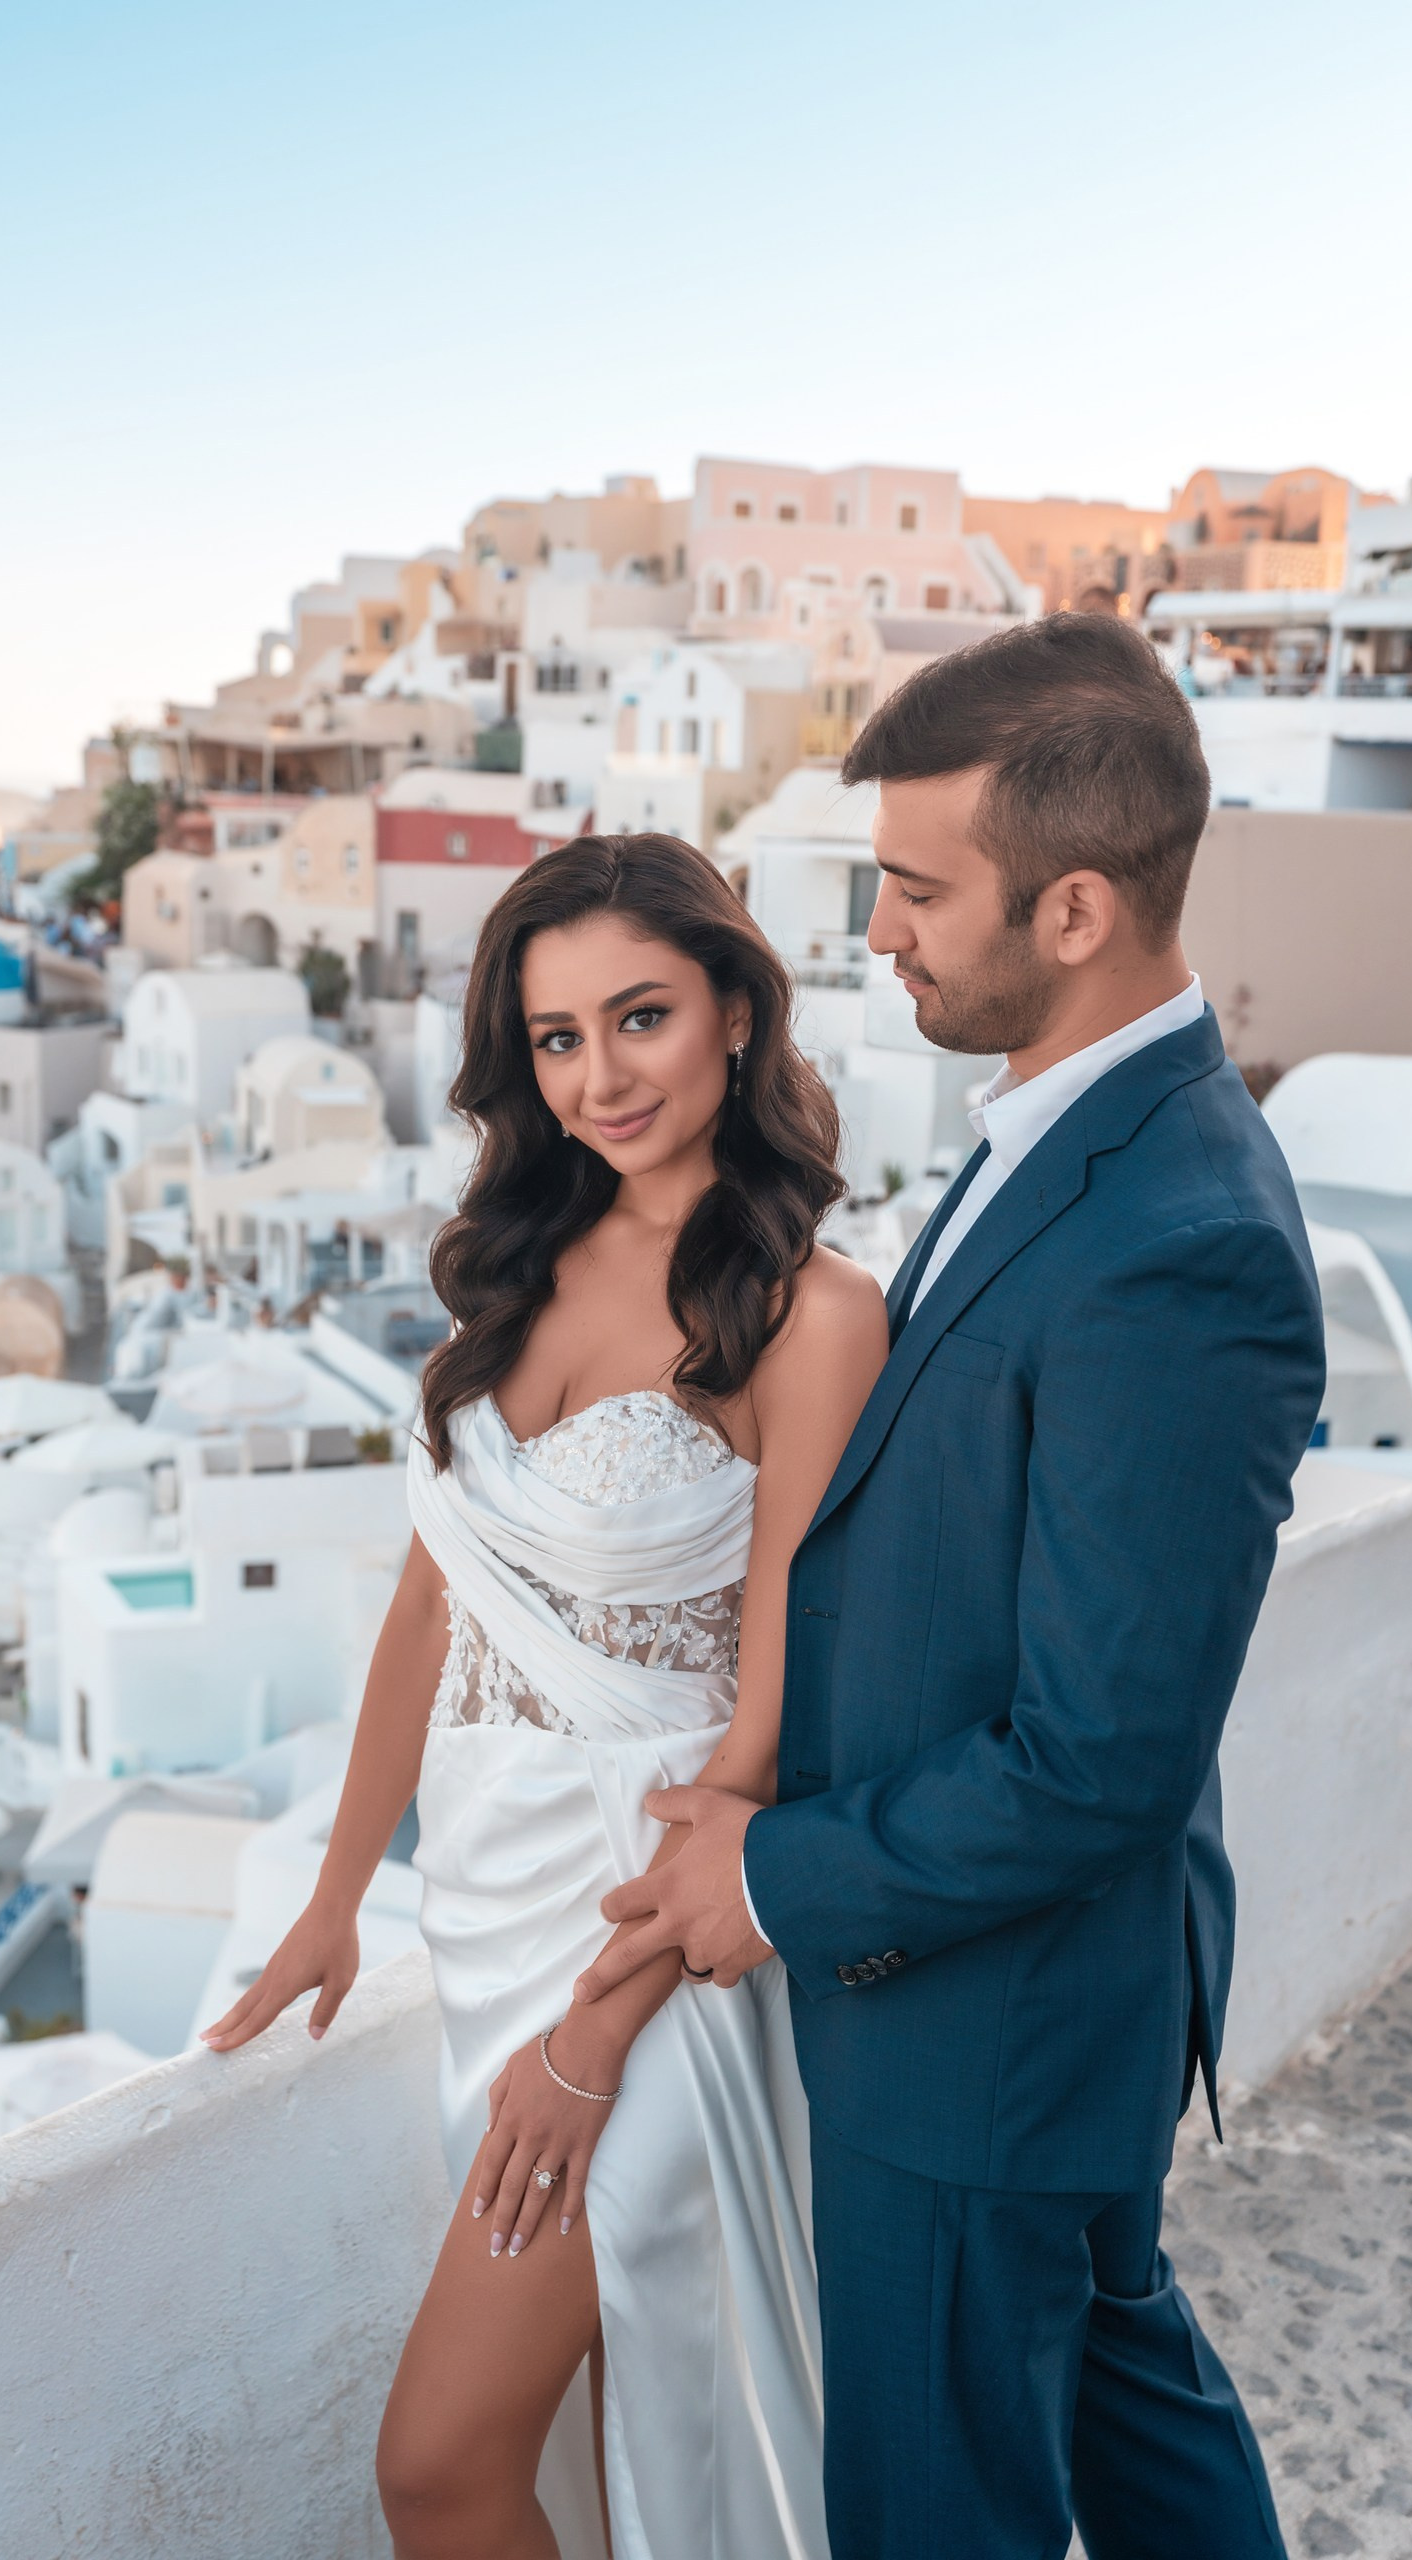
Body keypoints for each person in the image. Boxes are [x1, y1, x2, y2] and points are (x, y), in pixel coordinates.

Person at [575, 615, 1327, 2559]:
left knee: (931, 2506)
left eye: (917, 889)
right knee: (1124, 2407)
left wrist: (765, 1872)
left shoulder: (1175, 1239)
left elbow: (1099, 1753)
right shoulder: (1073, 1133)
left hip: (980, 2014)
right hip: (1029, 1998)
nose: (880, 932)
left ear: (1071, 905)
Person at [201, 833, 885, 2559]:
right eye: (559, 1039)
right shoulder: (519, 1268)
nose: (599, 1075)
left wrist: (592, 2039)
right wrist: (338, 1897)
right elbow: (439, 1608)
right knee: (590, 2434)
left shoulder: (813, 1318)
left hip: (644, 1948)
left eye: (639, 1016)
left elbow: (768, 1737)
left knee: (436, 2464)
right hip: (487, 1909)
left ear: (735, 1006)